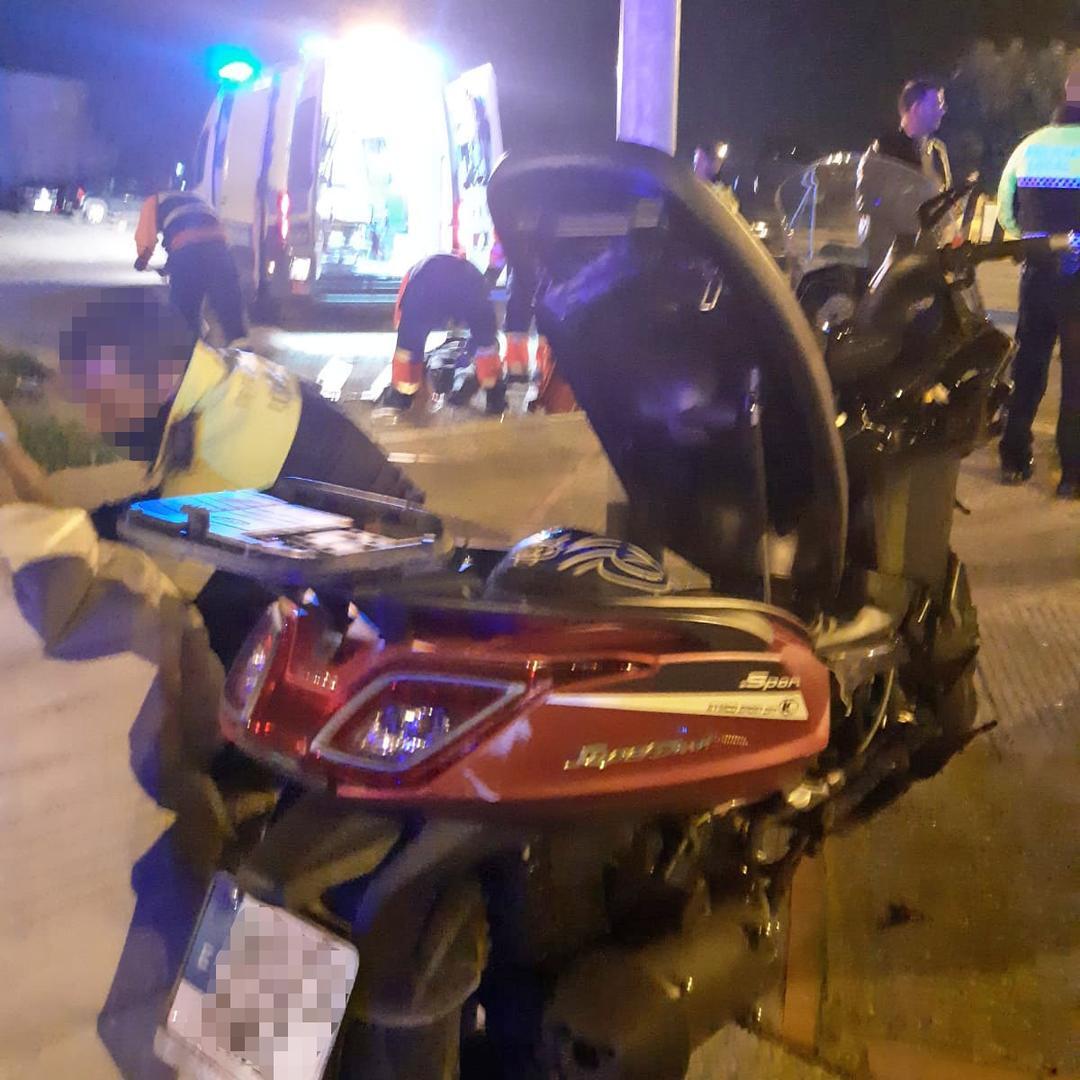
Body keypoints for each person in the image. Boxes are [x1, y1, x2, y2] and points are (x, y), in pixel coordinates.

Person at [59, 291, 423, 659]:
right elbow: (159, 510)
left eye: (99, 399)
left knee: (204, 621)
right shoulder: (219, 377)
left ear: (157, 377)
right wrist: (79, 522)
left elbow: (168, 585)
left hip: (384, 574)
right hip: (377, 521)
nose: (93, 422)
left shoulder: (214, 448)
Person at [996, 70, 1080, 497]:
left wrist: (1033, 242)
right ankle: (1072, 475)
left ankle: (1014, 457)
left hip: (1037, 275)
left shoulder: (1028, 146)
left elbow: (1005, 213)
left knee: (1028, 366)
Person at [386, 253, 507, 414]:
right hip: (468, 283)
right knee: (485, 344)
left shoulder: (416, 286)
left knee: (408, 347)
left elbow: (408, 344)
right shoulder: (474, 285)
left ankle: (402, 397)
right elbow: (485, 339)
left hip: (428, 285)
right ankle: (494, 395)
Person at [858, 79, 951, 274]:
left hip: (925, 259)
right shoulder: (884, 150)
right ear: (916, 108)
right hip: (889, 265)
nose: (942, 110)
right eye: (936, 104)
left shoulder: (936, 151)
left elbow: (942, 200)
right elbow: (868, 202)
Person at [134, 190, 248, 345]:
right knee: (230, 308)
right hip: (220, 250)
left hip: (187, 252)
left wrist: (142, 260)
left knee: (184, 316)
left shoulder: (153, 201)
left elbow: (145, 238)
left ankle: (188, 351)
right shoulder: (198, 197)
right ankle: (242, 350)